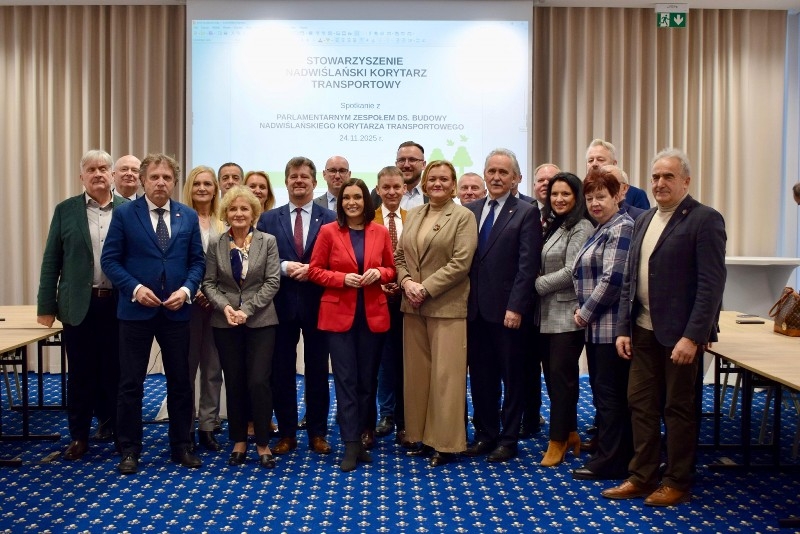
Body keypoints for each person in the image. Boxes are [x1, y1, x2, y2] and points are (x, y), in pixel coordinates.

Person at [602, 149, 726, 507]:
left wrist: (693, 336)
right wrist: (623, 328)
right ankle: (642, 476)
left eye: (668, 176)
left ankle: (677, 480)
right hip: (642, 330)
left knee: (678, 408)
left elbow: (711, 285)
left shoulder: (705, 219)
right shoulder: (644, 219)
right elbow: (630, 279)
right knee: (640, 404)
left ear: (686, 181)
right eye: (655, 176)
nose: (659, 183)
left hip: (680, 337)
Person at [101, 153, 205, 475]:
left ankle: (181, 445)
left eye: (167, 178)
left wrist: (186, 290)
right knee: (130, 383)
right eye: (155, 177)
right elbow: (110, 260)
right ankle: (129, 449)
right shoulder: (124, 214)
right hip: (135, 311)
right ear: (143, 181)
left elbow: (197, 262)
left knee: (180, 382)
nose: (161, 182)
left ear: (174, 182)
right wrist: (134, 289)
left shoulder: (187, 216)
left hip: (176, 312)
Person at [36, 149, 125, 460]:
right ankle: (78, 437)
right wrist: (45, 306)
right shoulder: (66, 210)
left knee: (117, 372)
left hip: (118, 305)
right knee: (81, 374)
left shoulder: (129, 210)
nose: (98, 173)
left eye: (103, 168)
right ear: (81, 177)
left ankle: (120, 434)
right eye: (91, 169)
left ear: (112, 175)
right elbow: (51, 260)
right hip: (78, 306)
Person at [308, 178, 395, 471]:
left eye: (357, 197)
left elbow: (391, 269)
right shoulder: (328, 231)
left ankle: (362, 434)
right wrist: (342, 278)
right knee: (346, 381)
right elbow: (315, 271)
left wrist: (379, 273)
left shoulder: (379, 231)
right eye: (346, 198)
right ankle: (350, 443)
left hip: (372, 316)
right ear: (340, 202)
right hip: (338, 317)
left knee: (367, 382)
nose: (352, 202)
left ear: (366, 201)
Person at [395, 160, 478, 467]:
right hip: (413, 306)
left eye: (444, 179)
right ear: (425, 183)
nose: (437, 184)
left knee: (446, 378)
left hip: (446, 307)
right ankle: (419, 436)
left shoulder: (463, 216)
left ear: (453, 184)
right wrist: (406, 283)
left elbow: (461, 263)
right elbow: (399, 256)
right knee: (417, 377)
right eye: (432, 179)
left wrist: (425, 288)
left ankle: (445, 443)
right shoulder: (415, 213)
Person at [463, 149, 541, 463]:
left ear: (515, 178)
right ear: (485, 174)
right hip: (474, 311)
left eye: (503, 172)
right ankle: (486, 434)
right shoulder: (470, 210)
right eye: (491, 171)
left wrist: (516, 307)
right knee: (481, 377)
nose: (496, 177)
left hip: (508, 312)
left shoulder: (525, 212)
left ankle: (508, 439)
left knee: (512, 378)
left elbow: (527, 265)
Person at [256, 156, 337, 456]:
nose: (299, 181)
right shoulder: (268, 219)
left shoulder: (331, 218)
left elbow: (337, 258)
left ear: (315, 182)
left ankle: (317, 433)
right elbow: (260, 260)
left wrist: (314, 270)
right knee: (281, 372)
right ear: (286, 181)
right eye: (294, 176)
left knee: (318, 372)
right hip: (279, 305)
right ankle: (287, 433)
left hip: (319, 304)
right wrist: (284, 267)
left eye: (304, 177)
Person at [202, 186, 280, 468]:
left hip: (261, 321)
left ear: (253, 212)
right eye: (233, 209)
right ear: (226, 212)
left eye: (244, 208)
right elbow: (209, 283)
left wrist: (246, 310)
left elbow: (272, 281)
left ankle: (262, 443)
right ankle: (238, 441)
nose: (238, 213)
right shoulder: (216, 243)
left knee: (258, 381)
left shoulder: (267, 241)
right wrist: (226, 308)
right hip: (225, 322)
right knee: (234, 381)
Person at [570, 168, 634, 480]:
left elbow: (613, 280)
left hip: (610, 328)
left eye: (601, 197)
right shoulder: (602, 227)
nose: (595, 203)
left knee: (610, 397)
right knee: (604, 395)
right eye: (590, 198)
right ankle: (612, 455)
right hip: (598, 328)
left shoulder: (621, 227)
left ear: (617, 196)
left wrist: (585, 313)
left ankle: (611, 461)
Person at [535, 172, 593, 467]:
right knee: (554, 379)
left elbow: (572, 271)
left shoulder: (581, 226)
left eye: (565, 194)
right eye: (554, 194)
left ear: (577, 197)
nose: (558, 199)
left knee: (562, 381)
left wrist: (535, 284)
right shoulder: (553, 223)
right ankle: (570, 432)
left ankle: (557, 441)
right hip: (547, 315)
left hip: (567, 316)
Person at [182, 166, 225, 451]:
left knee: (212, 368)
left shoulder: (224, 222)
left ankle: (208, 426)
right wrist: (193, 289)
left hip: (217, 305)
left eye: (208, 184)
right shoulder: (180, 218)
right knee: (186, 368)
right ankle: (185, 427)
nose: (202, 188)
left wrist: (212, 293)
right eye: (197, 183)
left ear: (215, 189)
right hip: (186, 304)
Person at [519, 162, 561, 438]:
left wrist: (536, 282)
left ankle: (563, 426)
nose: (545, 184)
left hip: (557, 306)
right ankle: (531, 418)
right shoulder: (528, 212)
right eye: (540, 180)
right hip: (527, 306)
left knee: (556, 371)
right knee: (527, 366)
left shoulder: (570, 217)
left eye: (551, 179)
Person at [371, 166, 408, 447]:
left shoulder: (414, 217)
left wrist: (405, 283)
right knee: (384, 360)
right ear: (378, 189)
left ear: (405, 188)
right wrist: (379, 284)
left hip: (409, 300)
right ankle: (386, 414)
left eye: (397, 187)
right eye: (386, 187)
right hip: (376, 298)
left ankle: (406, 417)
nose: (392, 192)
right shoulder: (367, 219)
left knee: (406, 360)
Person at [586, 139, 650, 210]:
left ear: (614, 163)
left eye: (600, 160)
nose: (594, 164)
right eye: (590, 160)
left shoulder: (636, 195)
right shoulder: (580, 192)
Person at [396, 141, 428, 210]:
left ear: (423, 165)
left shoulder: (433, 192)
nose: (406, 165)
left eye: (412, 160)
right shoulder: (379, 194)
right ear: (396, 164)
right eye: (401, 160)